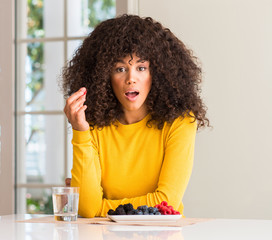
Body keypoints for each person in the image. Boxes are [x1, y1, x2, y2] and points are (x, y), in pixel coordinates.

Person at [62, 14, 209, 218]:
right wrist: (80, 131)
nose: (131, 78)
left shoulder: (179, 122)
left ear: (157, 73)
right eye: (120, 69)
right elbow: (87, 208)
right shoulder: (92, 126)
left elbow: (167, 202)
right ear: (104, 76)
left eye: (141, 68)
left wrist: (100, 208)